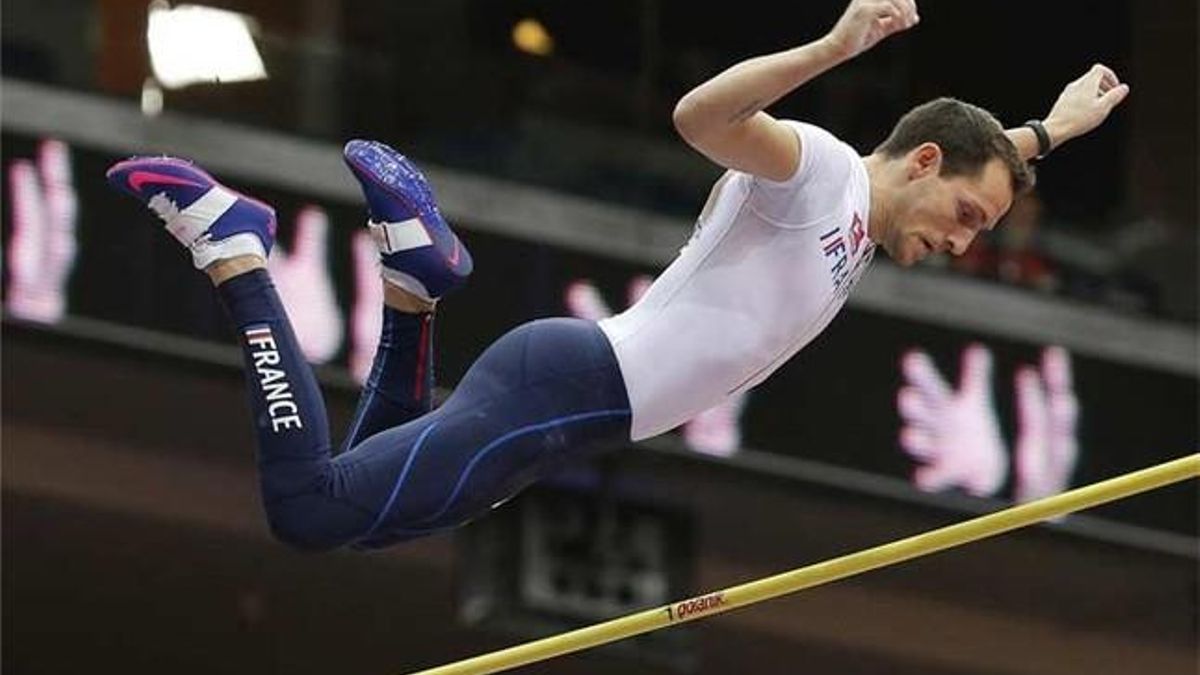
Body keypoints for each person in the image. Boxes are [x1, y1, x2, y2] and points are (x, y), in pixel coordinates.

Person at [105, 0, 1127, 551]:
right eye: (964, 216)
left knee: (367, 500)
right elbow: (700, 120)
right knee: (307, 510)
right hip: (565, 390)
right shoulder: (817, 174)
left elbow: (985, 155)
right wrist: (829, 46)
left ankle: (416, 285)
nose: (963, 242)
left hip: (565, 414)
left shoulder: (872, 214)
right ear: (923, 163)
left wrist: (1050, 129)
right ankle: (234, 248)